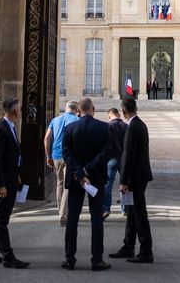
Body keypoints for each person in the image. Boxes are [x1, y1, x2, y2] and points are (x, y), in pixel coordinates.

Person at [60, 97, 112, 271]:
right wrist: (88, 170)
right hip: (96, 179)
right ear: (93, 109)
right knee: (96, 218)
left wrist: (80, 173)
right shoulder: (104, 128)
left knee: (72, 218)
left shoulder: (69, 128)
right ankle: (97, 259)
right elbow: (106, 153)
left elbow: (66, 154)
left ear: (78, 111)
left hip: (76, 179)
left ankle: (69, 259)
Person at [0, 97, 30, 269]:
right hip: (3, 182)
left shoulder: (10, 127)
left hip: (9, 178)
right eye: (19, 108)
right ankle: (8, 256)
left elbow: (11, 155)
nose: (21, 111)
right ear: (13, 110)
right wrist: (0, 185)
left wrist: (16, 174)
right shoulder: (1, 128)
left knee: (0, 216)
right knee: (2, 219)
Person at [110, 97, 153, 264]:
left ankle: (146, 250)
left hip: (134, 178)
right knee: (132, 213)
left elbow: (127, 155)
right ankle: (128, 246)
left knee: (139, 214)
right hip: (139, 175)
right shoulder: (140, 124)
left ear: (124, 111)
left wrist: (124, 180)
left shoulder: (132, 127)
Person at [44, 100, 80, 226]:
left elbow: (47, 138)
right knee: (67, 186)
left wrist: (48, 156)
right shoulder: (76, 120)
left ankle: (61, 211)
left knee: (59, 184)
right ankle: (63, 216)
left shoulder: (55, 120)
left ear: (66, 108)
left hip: (56, 156)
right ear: (76, 110)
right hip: (69, 156)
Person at [103, 107, 128, 218]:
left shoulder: (107, 126)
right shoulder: (126, 126)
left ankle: (106, 209)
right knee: (125, 184)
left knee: (107, 185)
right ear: (119, 115)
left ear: (109, 116)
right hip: (124, 159)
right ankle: (125, 209)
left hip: (111, 159)